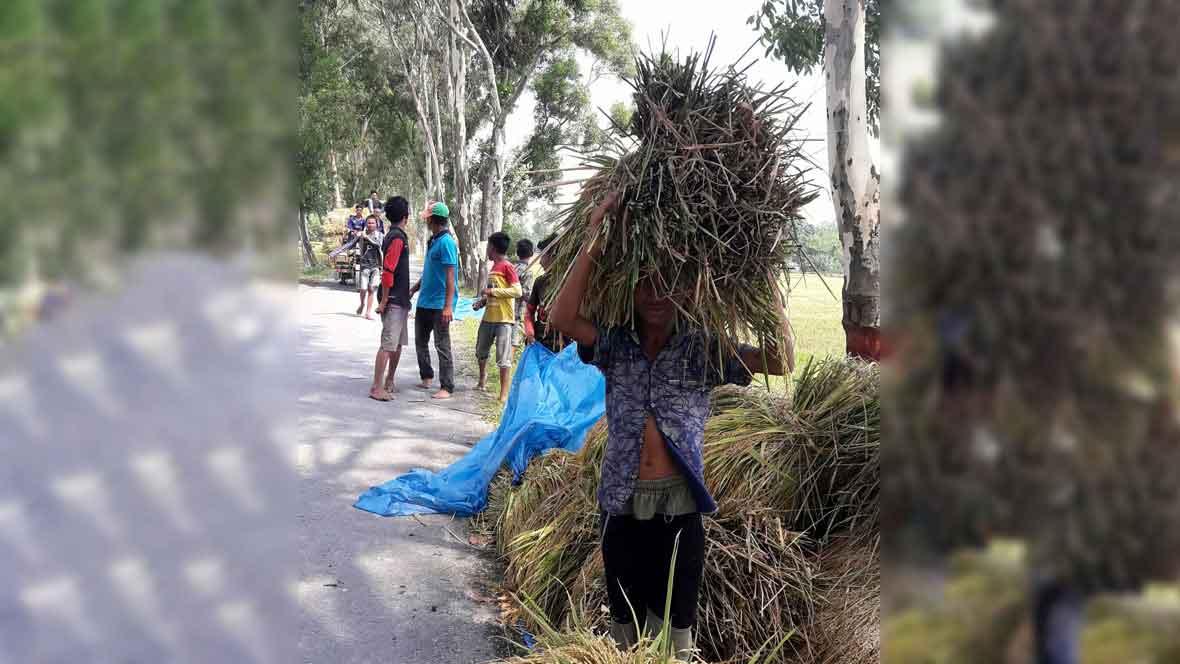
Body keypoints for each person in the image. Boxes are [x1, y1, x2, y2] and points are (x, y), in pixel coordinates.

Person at [548, 192, 796, 660]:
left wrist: (761, 277)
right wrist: (596, 238)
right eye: (646, 284)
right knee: (625, 625)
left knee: (676, 629)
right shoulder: (615, 344)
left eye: (668, 284)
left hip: (679, 507)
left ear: (685, 290)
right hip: (621, 500)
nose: (656, 295)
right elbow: (561, 317)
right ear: (630, 290)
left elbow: (781, 359)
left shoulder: (702, 349)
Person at [408, 201, 459, 400]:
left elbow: (450, 276)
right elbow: (430, 272)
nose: (425, 220)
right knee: (421, 341)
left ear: (432, 219)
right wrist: (414, 288)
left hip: (439, 305)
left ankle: (447, 386)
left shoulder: (446, 242)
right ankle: (426, 376)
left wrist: (448, 306)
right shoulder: (434, 240)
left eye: (427, 217)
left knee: (442, 344)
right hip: (425, 302)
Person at [471, 231, 522, 403]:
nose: (487, 250)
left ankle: (503, 394)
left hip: (504, 320)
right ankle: (481, 380)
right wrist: (483, 302)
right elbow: (494, 293)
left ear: (492, 247)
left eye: (488, 246)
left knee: (503, 358)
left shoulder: (507, 266)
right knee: (481, 351)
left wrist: (492, 291)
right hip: (488, 317)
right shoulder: (493, 267)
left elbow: (517, 291)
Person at [370, 197, 411, 401]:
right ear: (406, 217)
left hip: (400, 298)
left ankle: (389, 380)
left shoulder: (396, 236)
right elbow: (388, 272)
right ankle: (376, 388)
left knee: (396, 344)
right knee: (388, 344)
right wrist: (385, 300)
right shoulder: (396, 238)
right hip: (393, 299)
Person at [524, 235, 566, 353]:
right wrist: (530, 332)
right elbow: (529, 313)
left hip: (564, 350)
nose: (540, 261)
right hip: (539, 343)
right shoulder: (540, 282)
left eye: (542, 256)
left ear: (553, 255)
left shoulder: (570, 282)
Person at [355, 215, 384, 319]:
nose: (370, 224)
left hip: (376, 265)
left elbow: (379, 245)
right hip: (364, 265)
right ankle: (362, 304)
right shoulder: (361, 235)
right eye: (369, 223)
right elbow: (351, 244)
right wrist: (335, 252)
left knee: (371, 289)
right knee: (363, 288)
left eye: (373, 223)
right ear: (366, 224)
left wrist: (367, 238)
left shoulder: (380, 235)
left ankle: (368, 312)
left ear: (377, 224)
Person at [512, 238, 535, 347]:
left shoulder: (511, 267)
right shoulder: (528, 271)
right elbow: (526, 294)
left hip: (507, 309)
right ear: (531, 253)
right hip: (518, 311)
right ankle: (508, 362)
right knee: (514, 342)